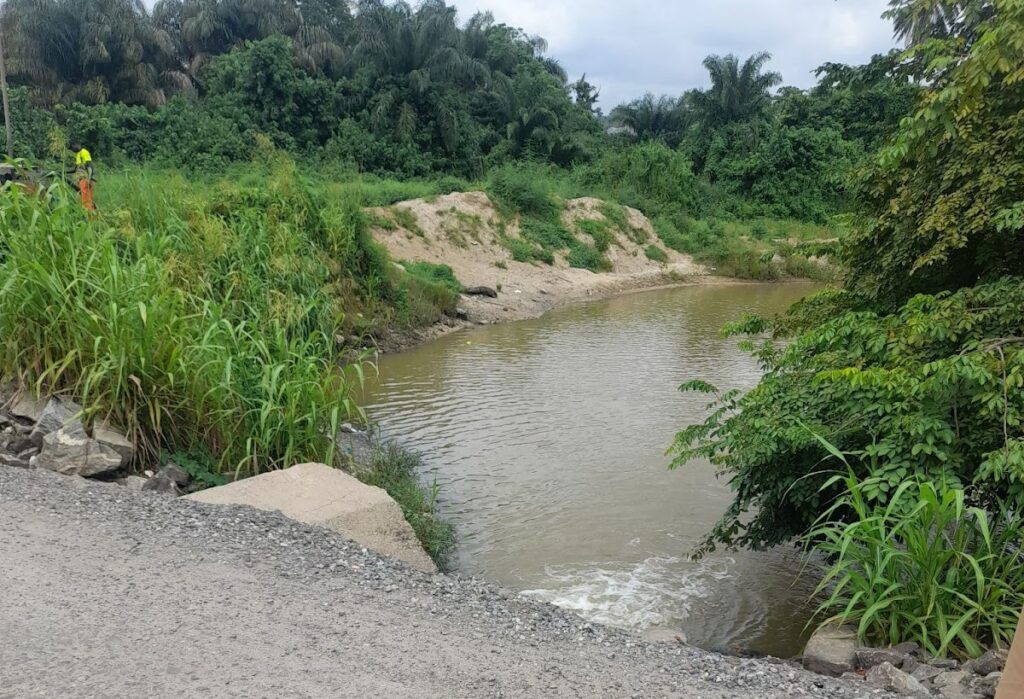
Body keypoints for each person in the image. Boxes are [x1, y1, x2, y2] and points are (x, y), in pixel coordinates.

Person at [70, 141, 96, 211]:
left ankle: (90, 217)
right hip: (81, 179)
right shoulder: (77, 154)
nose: (72, 149)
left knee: (86, 200)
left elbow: (90, 166)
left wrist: (89, 179)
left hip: (86, 178)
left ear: (78, 145)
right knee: (85, 199)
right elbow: (74, 169)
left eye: (73, 147)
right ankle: (92, 216)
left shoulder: (84, 152)